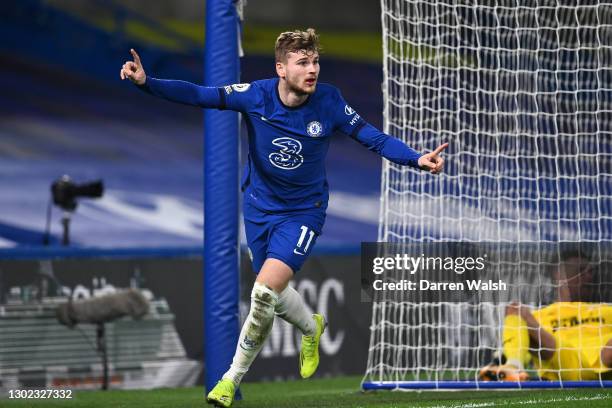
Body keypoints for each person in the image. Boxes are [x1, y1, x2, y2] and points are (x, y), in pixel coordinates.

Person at [121, 28, 447, 407]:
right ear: (281, 68)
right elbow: (200, 96)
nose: (313, 70)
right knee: (270, 293)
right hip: (258, 208)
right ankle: (312, 327)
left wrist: (415, 158)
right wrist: (147, 83)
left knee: (262, 294)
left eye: (316, 62)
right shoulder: (255, 95)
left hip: (303, 212)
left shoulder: (329, 101)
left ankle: (229, 380)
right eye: (303, 62)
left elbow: (372, 137)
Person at [479, 249, 612, 382]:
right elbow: (520, 346)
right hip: (562, 361)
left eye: (590, 272)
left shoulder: (606, 310)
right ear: (560, 276)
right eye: (581, 271)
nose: (588, 277)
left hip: (605, 359)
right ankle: (513, 367)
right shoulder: (538, 317)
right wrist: (503, 358)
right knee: (515, 309)